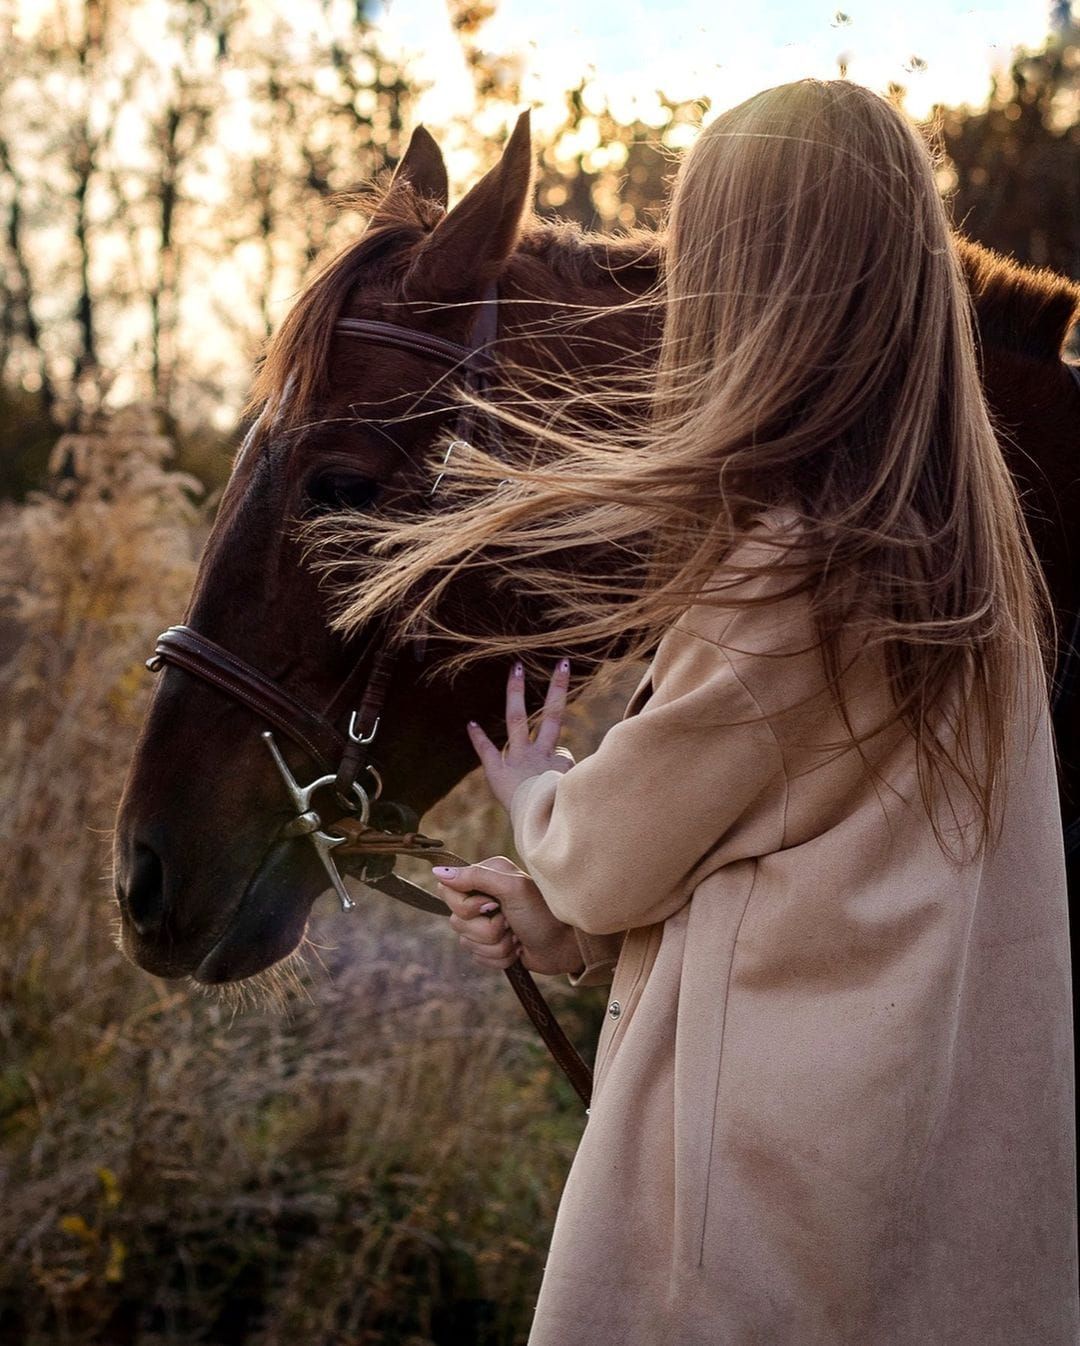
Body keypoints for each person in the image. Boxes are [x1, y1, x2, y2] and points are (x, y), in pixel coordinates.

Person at [378, 80, 1080, 1342]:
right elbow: (834, 877)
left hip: (751, 1234)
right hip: (924, 1214)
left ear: (749, 297)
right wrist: (572, 936)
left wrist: (540, 797)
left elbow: (608, 852)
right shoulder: (976, 578)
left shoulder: (787, 571)